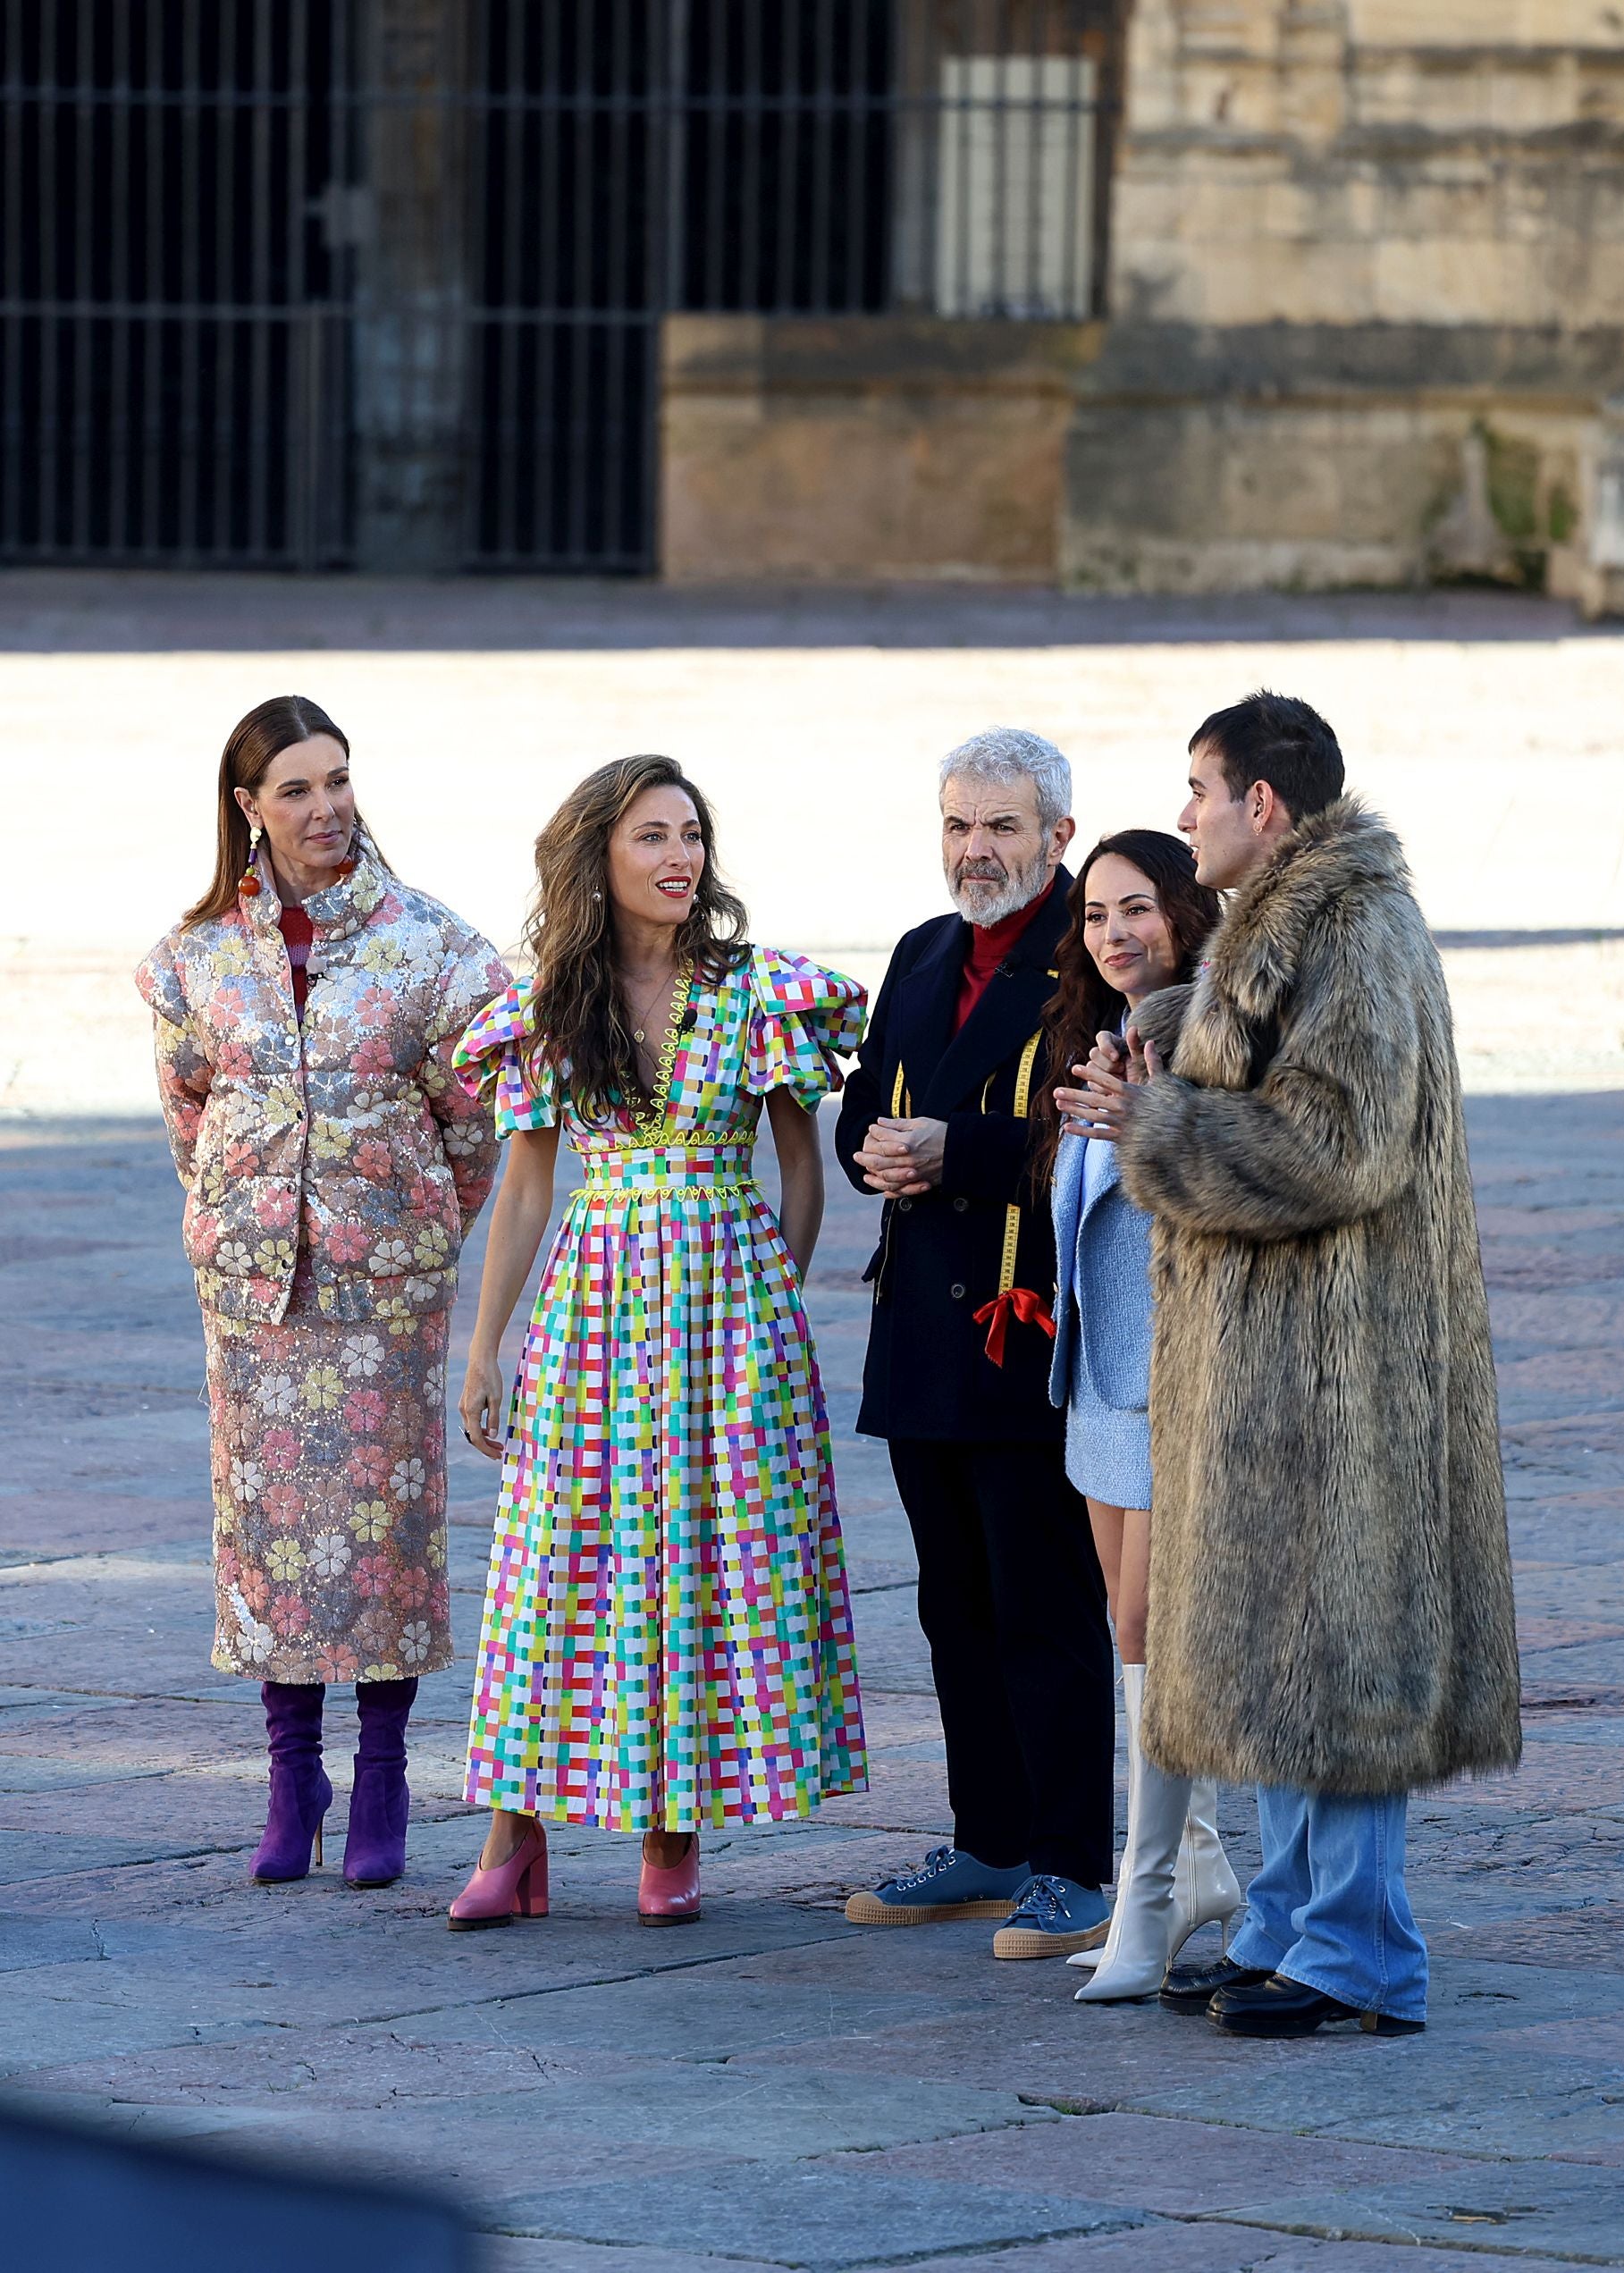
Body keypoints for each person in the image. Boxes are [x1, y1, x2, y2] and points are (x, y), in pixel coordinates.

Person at [1081, 690, 1521, 2037]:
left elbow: (1338, 1146)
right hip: (1261, 1366)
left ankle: (1360, 1951)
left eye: (1196, 790)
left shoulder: (1355, 925)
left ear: (1259, 805)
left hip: (1344, 1365)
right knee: (1274, 1650)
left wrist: (1152, 1120)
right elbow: (1261, 1076)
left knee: (1341, 1656)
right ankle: (1283, 1923)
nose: (1183, 817)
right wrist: (1165, 1042)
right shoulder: (1274, 926)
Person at [447, 753, 867, 1932]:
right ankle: (511, 1835)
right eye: (651, 836)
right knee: (551, 1567)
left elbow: (799, 1169)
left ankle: (670, 1833)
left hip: (727, 1310)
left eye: (690, 835)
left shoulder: (755, 992)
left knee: (691, 1563)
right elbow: (525, 1191)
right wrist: (487, 1350)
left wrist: (764, 1302)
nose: (680, 857)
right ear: (598, 855)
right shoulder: (547, 1007)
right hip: (592, 1307)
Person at [136, 695, 509, 1891]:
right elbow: (189, 1101)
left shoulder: (433, 949)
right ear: (248, 808)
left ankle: (385, 1771)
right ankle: (292, 1775)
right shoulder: (198, 955)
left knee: (380, 1536)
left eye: (338, 781)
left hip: (385, 1283)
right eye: (296, 788)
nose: (326, 808)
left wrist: (415, 1220)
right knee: (269, 1542)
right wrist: (240, 1206)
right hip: (251, 1285)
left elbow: (474, 1121)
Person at [837, 728, 1115, 1961]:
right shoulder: (920, 952)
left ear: (1057, 834)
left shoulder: (1091, 963)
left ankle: (1070, 1861)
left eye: (1000, 827)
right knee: (953, 1604)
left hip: (1025, 1323)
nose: (973, 850)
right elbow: (867, 1097)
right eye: (957, 824)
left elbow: (1105, 1140)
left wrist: (963, 1153)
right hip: (919, 1329)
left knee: (1041, 1602)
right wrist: (875, 1149)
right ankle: (987, 1837)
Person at [1037, 831, 1241, 2002]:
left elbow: (1217, 1192)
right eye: (1096, 915)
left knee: (1141, 1632)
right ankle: (1192, 1875)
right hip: (1098, 1382)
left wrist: (1146, 1121)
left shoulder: (1201, 1037)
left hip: (1173, 1379)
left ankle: (1148, 1897)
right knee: (1132, 1638)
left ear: (1182, 910)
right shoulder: (1111, 1038)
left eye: (1137, 909)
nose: (1114, 933)